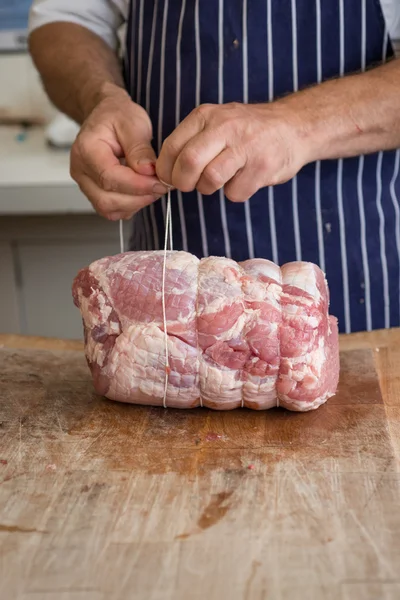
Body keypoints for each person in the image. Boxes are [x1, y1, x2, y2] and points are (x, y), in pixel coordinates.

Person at [29, 0, 400, 333]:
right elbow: (66, 17)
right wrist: (100, 97)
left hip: (358, 288)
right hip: (165, 319)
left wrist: (297, 124)